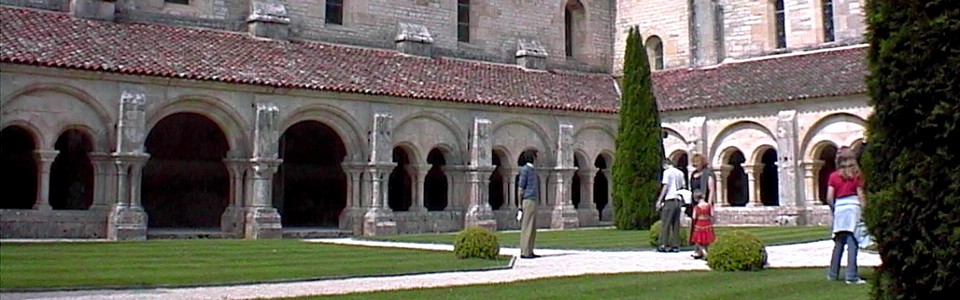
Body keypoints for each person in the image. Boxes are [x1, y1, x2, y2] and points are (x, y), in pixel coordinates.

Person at [826, 149, 867, 284]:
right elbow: (860, 195)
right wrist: (864, 210)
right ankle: (851, 276)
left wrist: (835, 210)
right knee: (852, 243)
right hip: (853, 207)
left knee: (838, 243)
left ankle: (832, 274)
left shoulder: (833, 176)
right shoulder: (856, 175)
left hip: (840, 208)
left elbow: (829, 197)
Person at [688, 154, 716, 257]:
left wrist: (708, 205)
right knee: (695, 226)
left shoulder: (707, 174)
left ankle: (704, 250)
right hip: (695, 202)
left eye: (697, 162)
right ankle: (698, 250)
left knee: (704, 227)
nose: (695, 164)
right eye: (694, 162)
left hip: (704, 203)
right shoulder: (694, 174)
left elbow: (711, 189)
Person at [656, 158, 686, 252]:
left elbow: (666, 186)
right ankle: (676, 245)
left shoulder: (667, 172)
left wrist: (659, 200)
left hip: (670, 199)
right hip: (678, 199)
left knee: (666, 223)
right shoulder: (680, 173)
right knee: (676, 224)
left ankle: (663, 244)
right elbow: (683, 186)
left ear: (665, 165)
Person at [517, 151, 540, 259]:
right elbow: (520, 188)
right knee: (527, 226)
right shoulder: (525, 170)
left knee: (532, 227)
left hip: (533, 200)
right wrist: (519, 205)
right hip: (528, 200)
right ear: (533, 158)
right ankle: (525, 252)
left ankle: (530, 250)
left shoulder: (532, 170)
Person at [689, 191, 715, 260]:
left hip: (699, 224)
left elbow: (694, 217)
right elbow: (712, 214)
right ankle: (703, 252)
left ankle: (705, 253)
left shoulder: (696, 207)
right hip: (707, 223)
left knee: (698, 241)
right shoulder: (709, 205)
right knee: (706, 240)